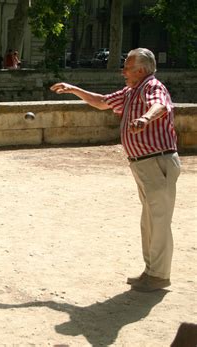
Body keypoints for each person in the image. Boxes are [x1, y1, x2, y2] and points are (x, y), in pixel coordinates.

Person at [50, 48, 180, 292]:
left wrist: (144, 120)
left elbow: (160, 106)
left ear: (141, 70)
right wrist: (74, 89)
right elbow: (102, 102)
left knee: (158, 221)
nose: (123, 71)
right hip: (144, 164)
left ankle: (159, 275)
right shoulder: (132, 91)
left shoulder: (152, 87)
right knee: (149, 222)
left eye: (127, 67)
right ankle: (151, 272)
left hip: (157, 162)